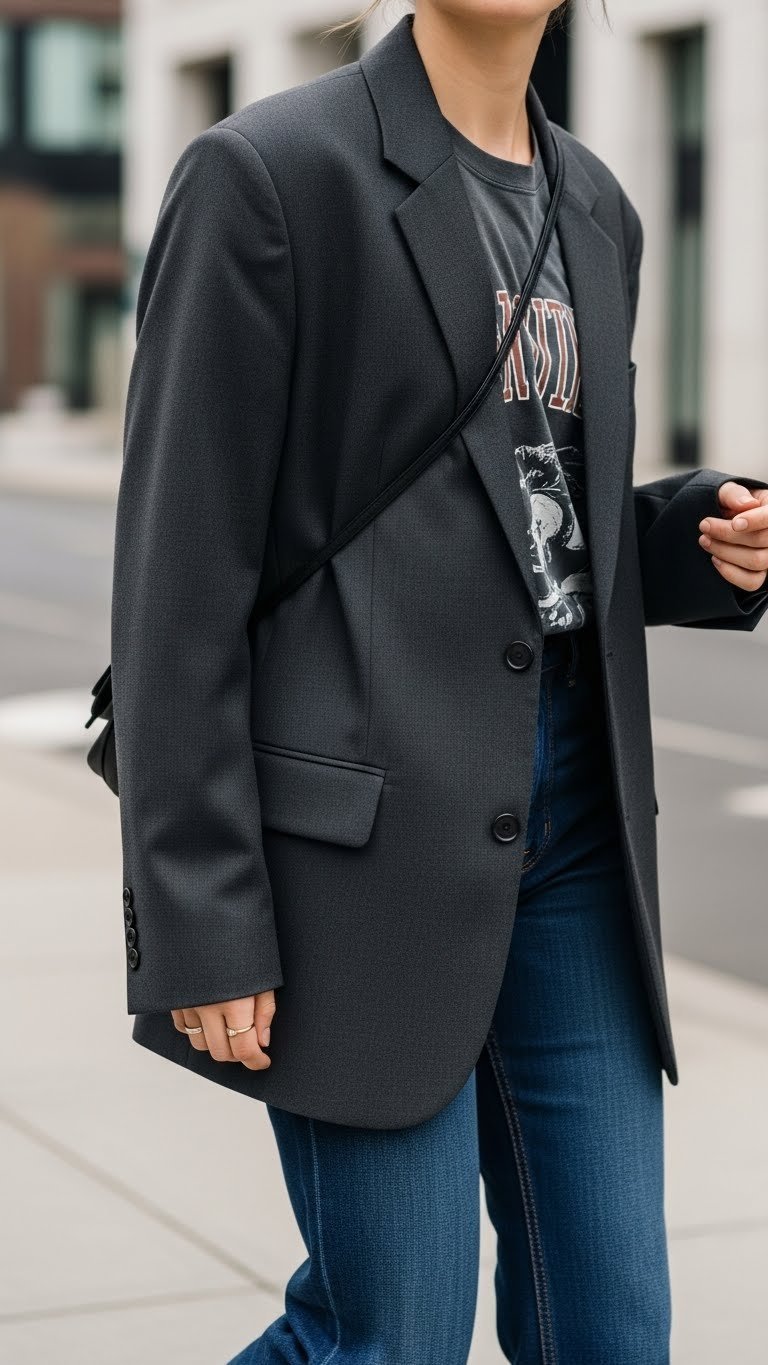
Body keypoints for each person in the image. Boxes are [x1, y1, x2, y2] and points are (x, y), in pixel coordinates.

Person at [109, 4, 768, 1362]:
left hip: (580, 831)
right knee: (391, 1334)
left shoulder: (598, 205)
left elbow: (538, 522)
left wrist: (697, 539)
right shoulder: (269, 175)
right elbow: (178, 579)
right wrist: (201, 916)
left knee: (613, 1329)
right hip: (361, 839)